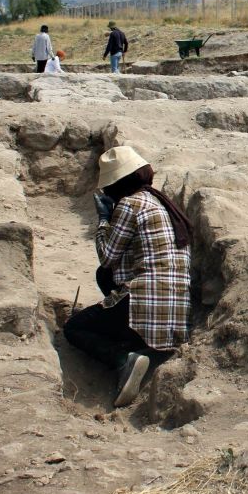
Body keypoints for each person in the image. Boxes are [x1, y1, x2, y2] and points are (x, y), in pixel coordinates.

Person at [64, 146, 193, 407]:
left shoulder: (130, 203)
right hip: (177, 308)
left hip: (147, 298)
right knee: (105, 277)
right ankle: (141, 343)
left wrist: (103, 220)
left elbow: (108, 255)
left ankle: (123, 359)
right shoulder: (160, 201)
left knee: (74, 328)